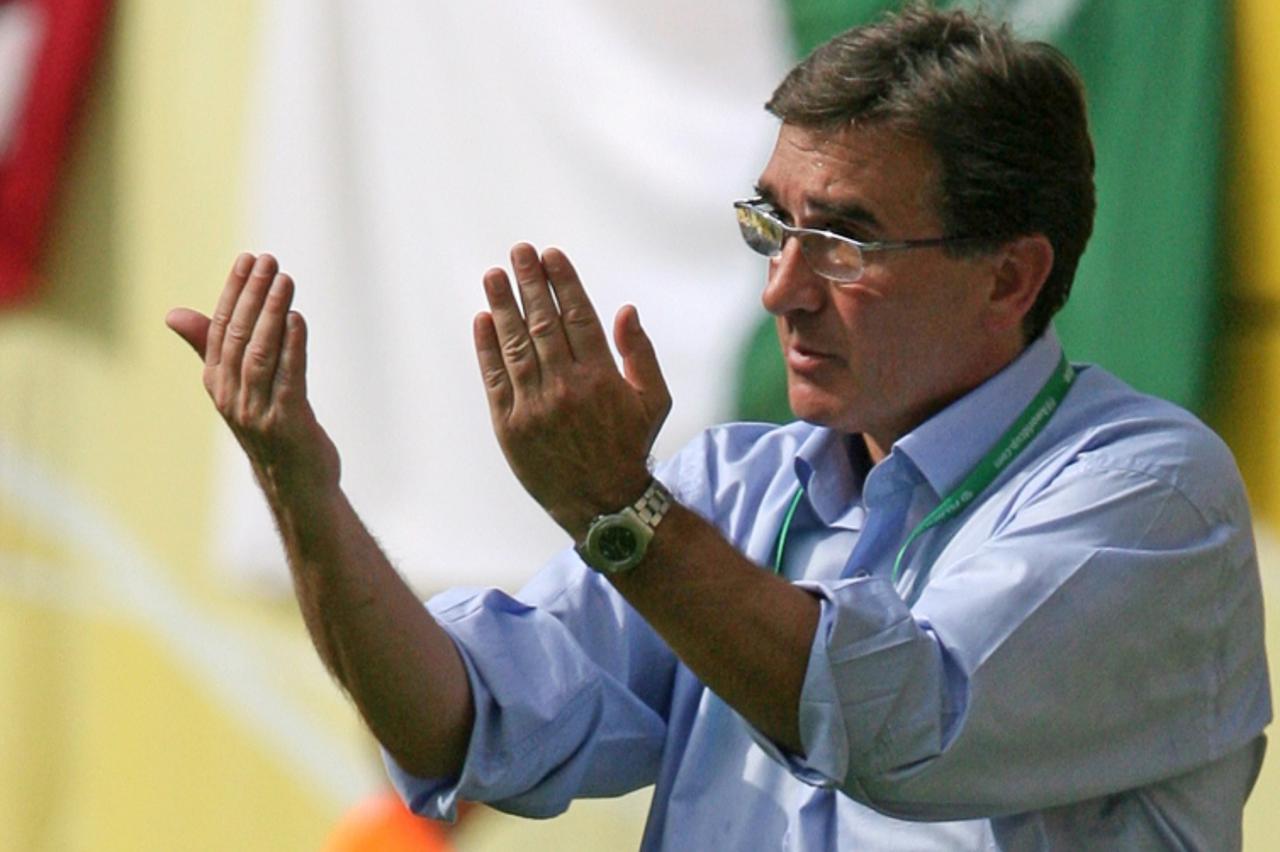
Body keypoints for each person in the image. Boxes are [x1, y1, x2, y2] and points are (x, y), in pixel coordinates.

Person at [167, 5, 1270, 849]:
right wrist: (304, 493)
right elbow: (455, 719)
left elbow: (901, 726)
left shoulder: (1147, 492)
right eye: (770, 225)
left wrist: (620, 509)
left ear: (1008, 275)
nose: (780, 289)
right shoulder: (735, 485)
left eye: (843, 239)